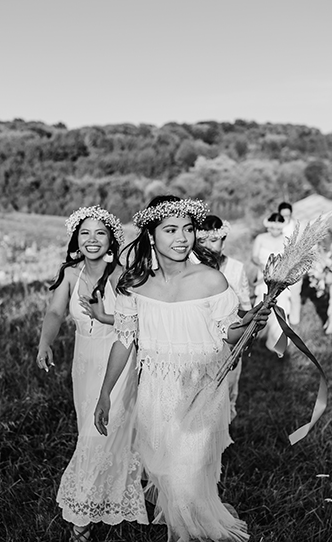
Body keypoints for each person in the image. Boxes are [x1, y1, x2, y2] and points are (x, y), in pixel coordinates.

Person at [93, 195, 272, 542]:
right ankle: (190, 522)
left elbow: (230, 333)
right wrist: (105, 391)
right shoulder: (135, 285)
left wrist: (249, 322)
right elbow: (124, 339)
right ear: (151, 235)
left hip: (202, 386)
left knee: (187, 472)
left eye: (188, 229)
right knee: (163, 469)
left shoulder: (211, 280)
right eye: (170, 229)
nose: (182, 238)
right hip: (156, 390)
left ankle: (189, 535)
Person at [36, 206, 147, 542]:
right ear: (77, 240)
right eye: (85, 233)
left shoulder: (120, 274)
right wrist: (45, 344)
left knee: (96, 434)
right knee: (93, 429)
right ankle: (105, 496)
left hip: (118, 359)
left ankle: (81, 518)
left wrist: (104, 317)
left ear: (111, 239)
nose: (92, 239)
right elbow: (55, 311)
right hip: (83, 364)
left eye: (100, 233)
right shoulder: (71, 273)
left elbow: (138, 320)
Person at [196, 214, 252, 420]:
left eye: (214, 240)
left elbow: (245, 305)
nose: (208, 246)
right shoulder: (192, 269)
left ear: (223, 239)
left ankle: (225, 426)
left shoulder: (236, 268)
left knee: (228, 383)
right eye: (202, 241)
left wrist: (240, 344)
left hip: (231, 336)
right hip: (200, 337)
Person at [251, 212, 291, 357]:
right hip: (264, 277)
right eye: (272, 228)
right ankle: (257, 335)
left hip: (280, 279)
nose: (275, 231)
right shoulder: (260, 238)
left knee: (281, 307)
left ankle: (277, 342)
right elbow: (254, 256)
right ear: (268, 227)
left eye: (278, 229)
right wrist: (263, 265)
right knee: (262, 307)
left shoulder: (286, 240)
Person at [277, 202, 304, 325]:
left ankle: (294, 319)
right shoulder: (276, 227)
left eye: (288, 215)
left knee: (295, 292)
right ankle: (281, 318)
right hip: (280, 264)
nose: (286, 218)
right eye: (283, 215)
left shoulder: (299, 226)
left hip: (296, 264)